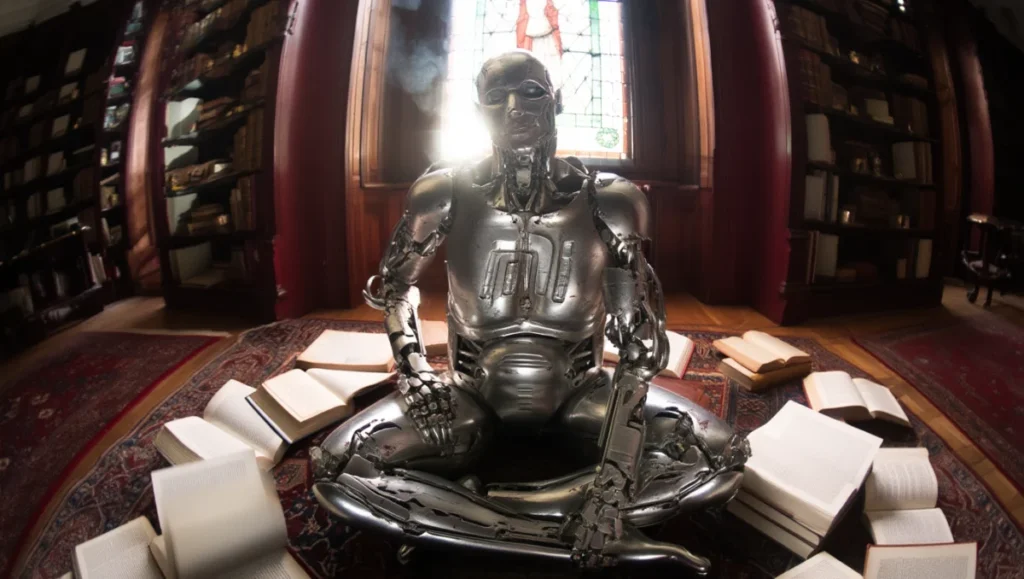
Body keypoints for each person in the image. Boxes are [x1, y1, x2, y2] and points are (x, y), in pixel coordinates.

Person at [311, 50, 748, 571]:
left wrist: (612, 483)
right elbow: (394, 286)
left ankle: (471, 511)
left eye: (531, 92)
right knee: (338, 466)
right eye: (497, 97)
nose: (515, 107)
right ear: (479, 110)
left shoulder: (612, 201)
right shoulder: (440, 194)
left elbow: (638, 349)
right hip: (468, 395)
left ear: (556, 102)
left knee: (720, 454)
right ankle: (576, 522)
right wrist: (415, 371)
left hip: (584, 394)